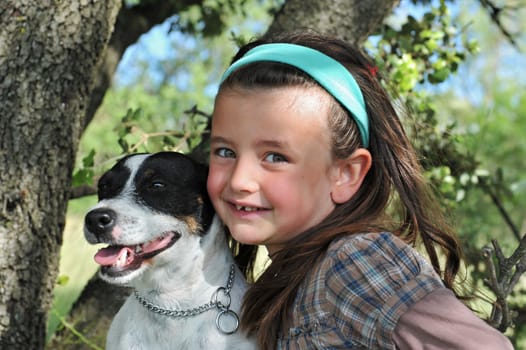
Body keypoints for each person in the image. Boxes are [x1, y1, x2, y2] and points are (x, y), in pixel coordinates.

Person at [206, 31, 514, 349]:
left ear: (345, 174)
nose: (240, 180)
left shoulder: (352, 261)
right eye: (225, 152)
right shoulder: (292, 279)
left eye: (275, 157)